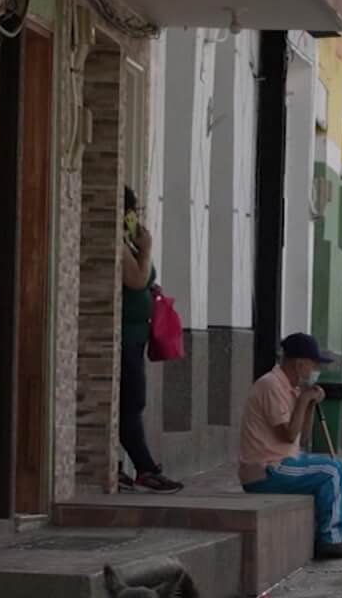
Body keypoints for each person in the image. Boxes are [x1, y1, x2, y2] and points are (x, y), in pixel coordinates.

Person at [239, 333, 342, 560]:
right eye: (313, 364)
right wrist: (304, 400)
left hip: (285, 461)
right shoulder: (270, 385)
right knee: (331, 471)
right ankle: (331, 539)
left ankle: (339, 532)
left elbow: (302, 437)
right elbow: (287, 434)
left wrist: (306, 405)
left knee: (337, 466)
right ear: (300, 363)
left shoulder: (290, 388)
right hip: (266, 469)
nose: (314, 370)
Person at [119, 187, 182, 493]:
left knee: (131, 401)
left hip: (135, 336)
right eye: (133, 212)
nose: (136, 219)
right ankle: (144, 467)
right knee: (131, 401)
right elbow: (135, 280)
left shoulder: (128, 243)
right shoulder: (118, 244)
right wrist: (145, 249)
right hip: (122, 339)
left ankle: (126, 465)